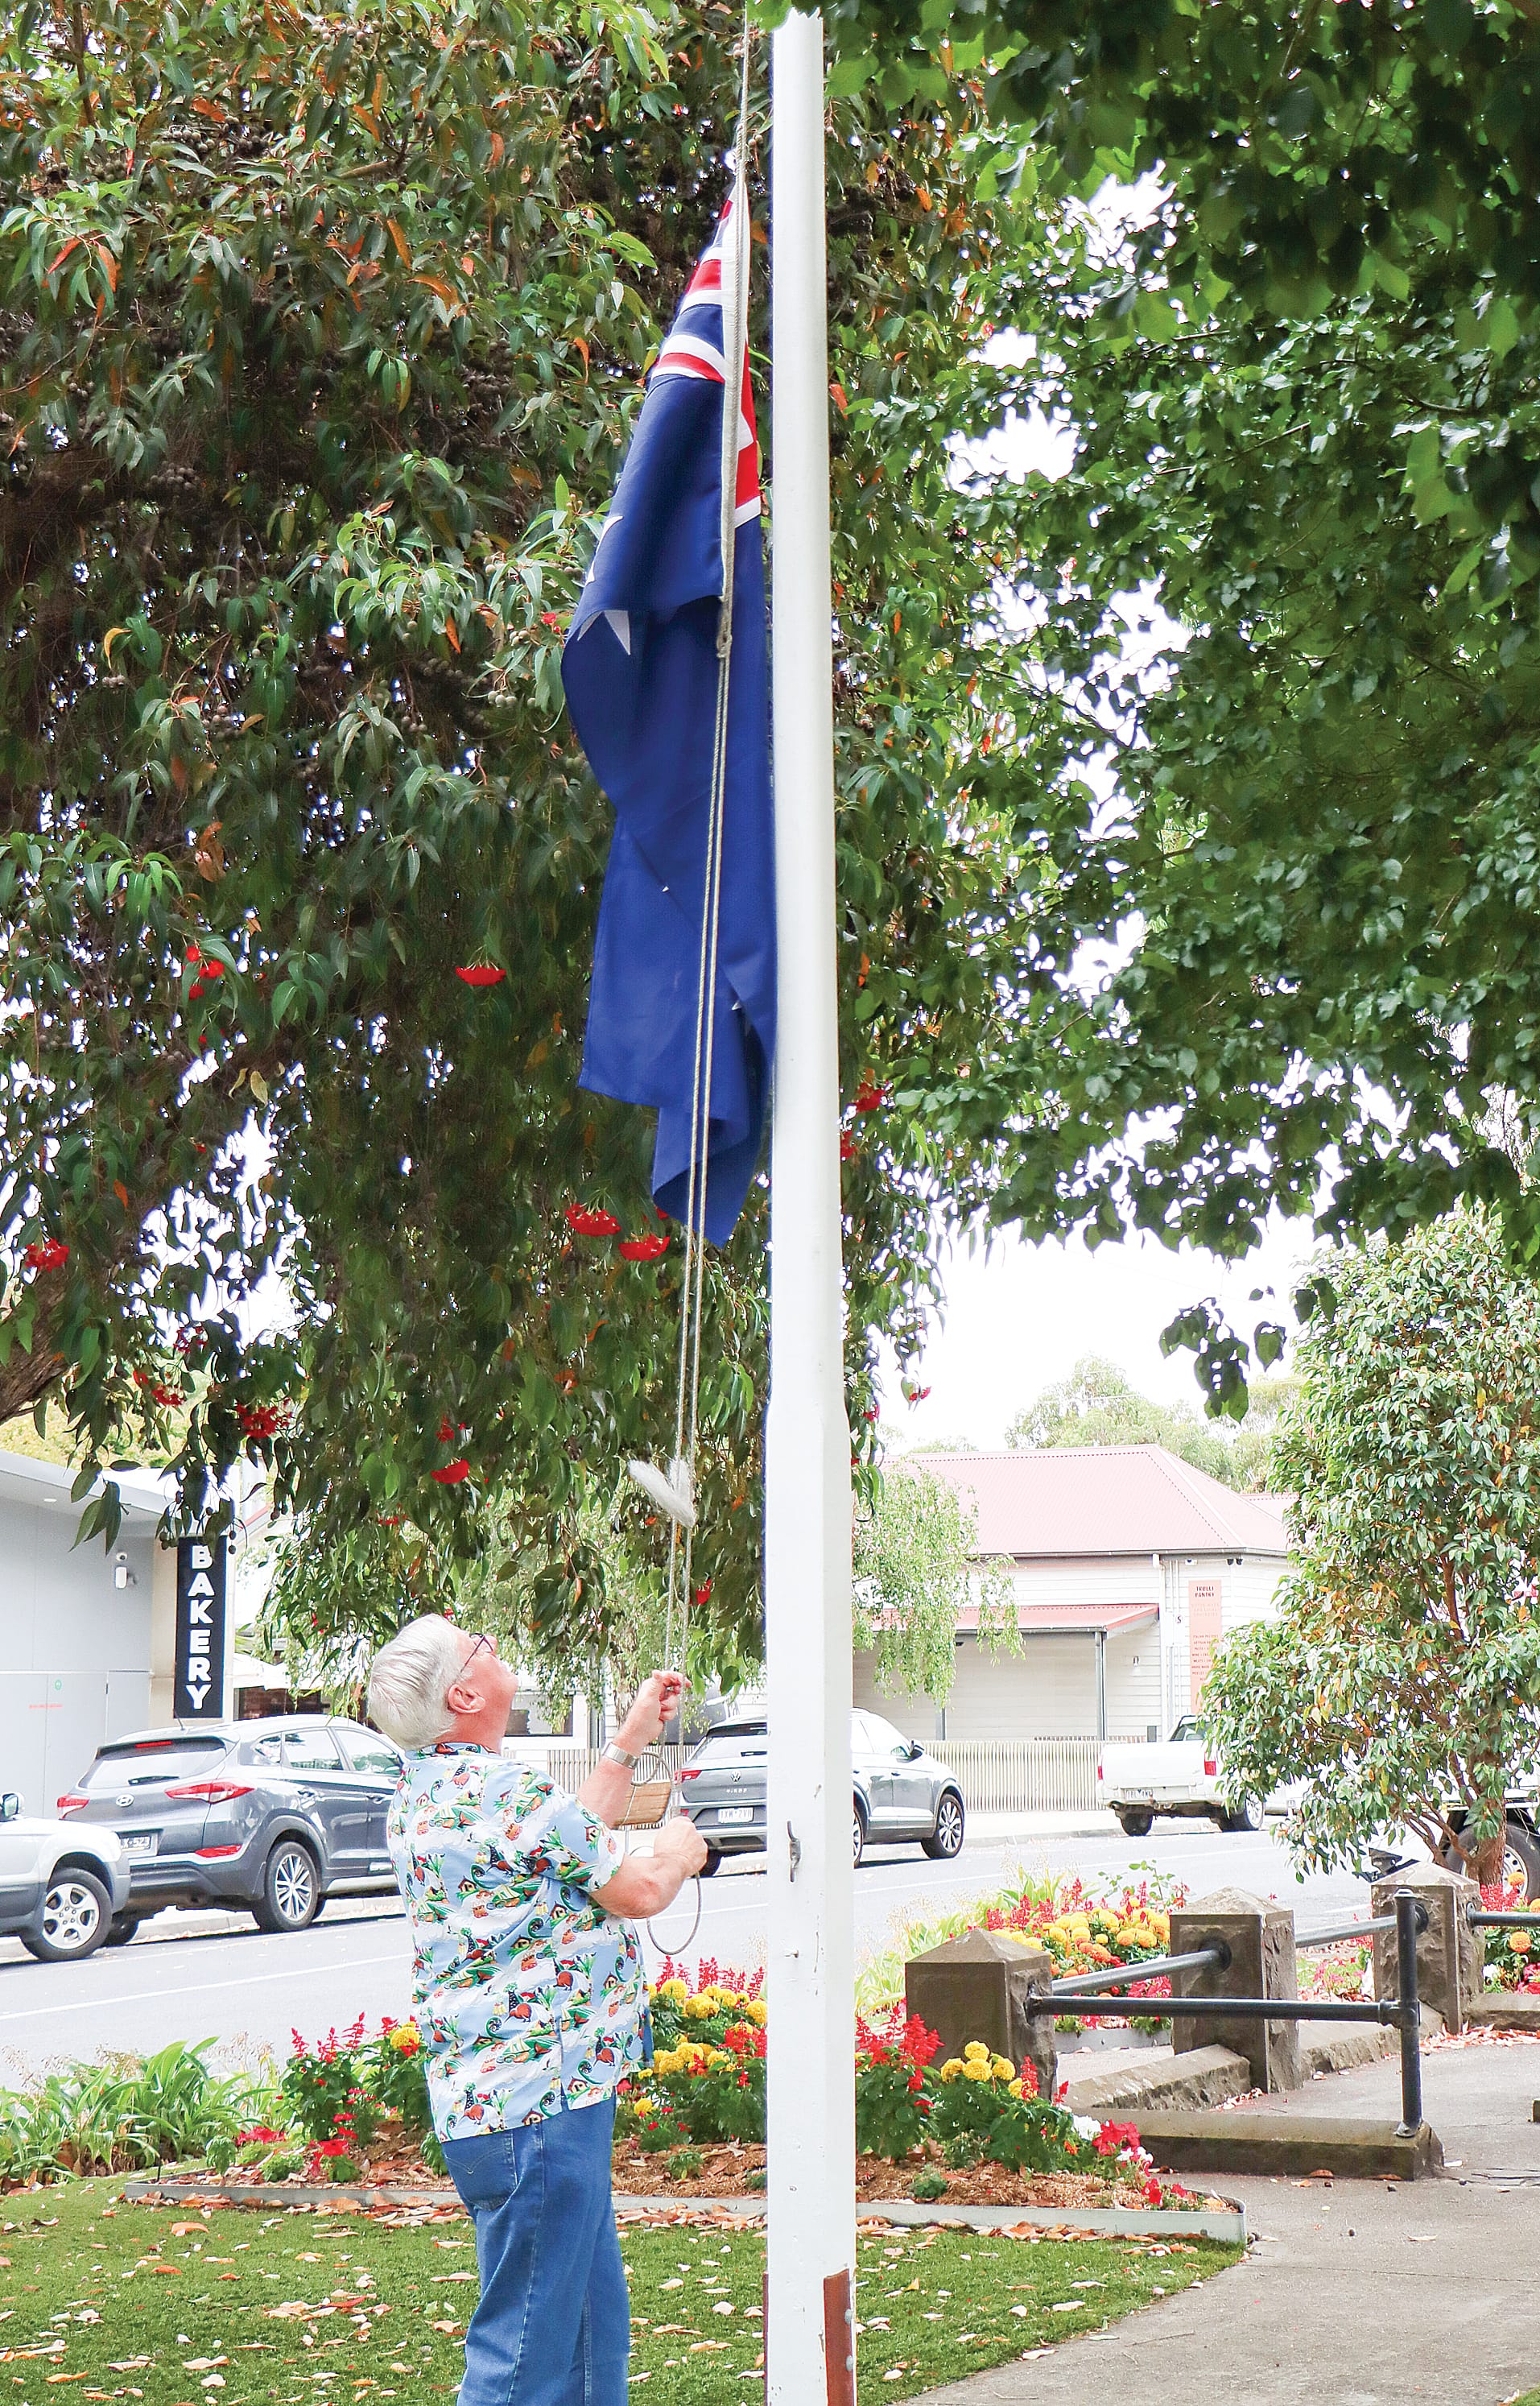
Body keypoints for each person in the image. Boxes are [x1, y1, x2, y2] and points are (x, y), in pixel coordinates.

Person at [367, 1614, 707, 2406]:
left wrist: (626, 1739)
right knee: (520, 2356)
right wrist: (676, 1855)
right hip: (542, 2116)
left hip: (498, 2115)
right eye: (477, 1647)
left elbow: (562, 1839)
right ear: (464, 1691)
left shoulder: (426, 1792)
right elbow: (636, 1890)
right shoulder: (508, 1791)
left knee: (588, 2338)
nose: (492, 1644)